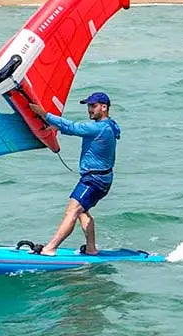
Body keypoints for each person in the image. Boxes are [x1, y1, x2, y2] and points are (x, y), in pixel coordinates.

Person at [36, 91, 120, 256]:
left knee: (72, 211)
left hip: (94, 180)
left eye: (93, 106)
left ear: (104, 107)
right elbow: (79, 131)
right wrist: (57, 127)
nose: (90, 109)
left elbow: (73, 127)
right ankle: (91, 248)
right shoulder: (110, 125)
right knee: (82, 211)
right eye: (89, 106)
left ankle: (50, 248)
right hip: (102, 179)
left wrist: (44, 114)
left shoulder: (99, 128)